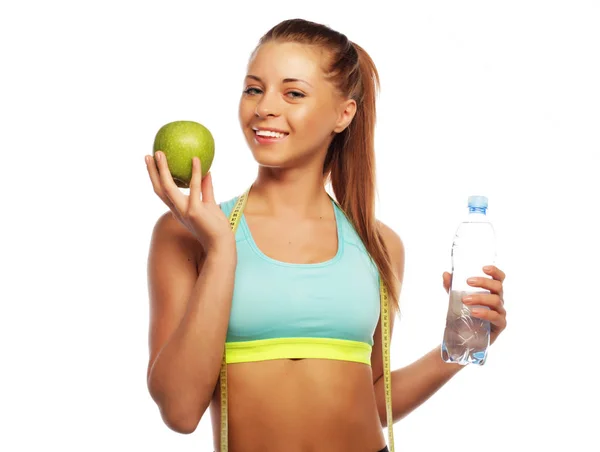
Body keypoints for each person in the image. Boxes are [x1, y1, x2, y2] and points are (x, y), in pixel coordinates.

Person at [143, 18, 508, 452]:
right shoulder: (186, 233)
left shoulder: (380, 245)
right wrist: (221, 250)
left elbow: (375, 401)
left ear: (343, 113)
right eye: (254, 89)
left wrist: (464, 344)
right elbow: (180, 412)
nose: (264, 107)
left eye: (292, 93)